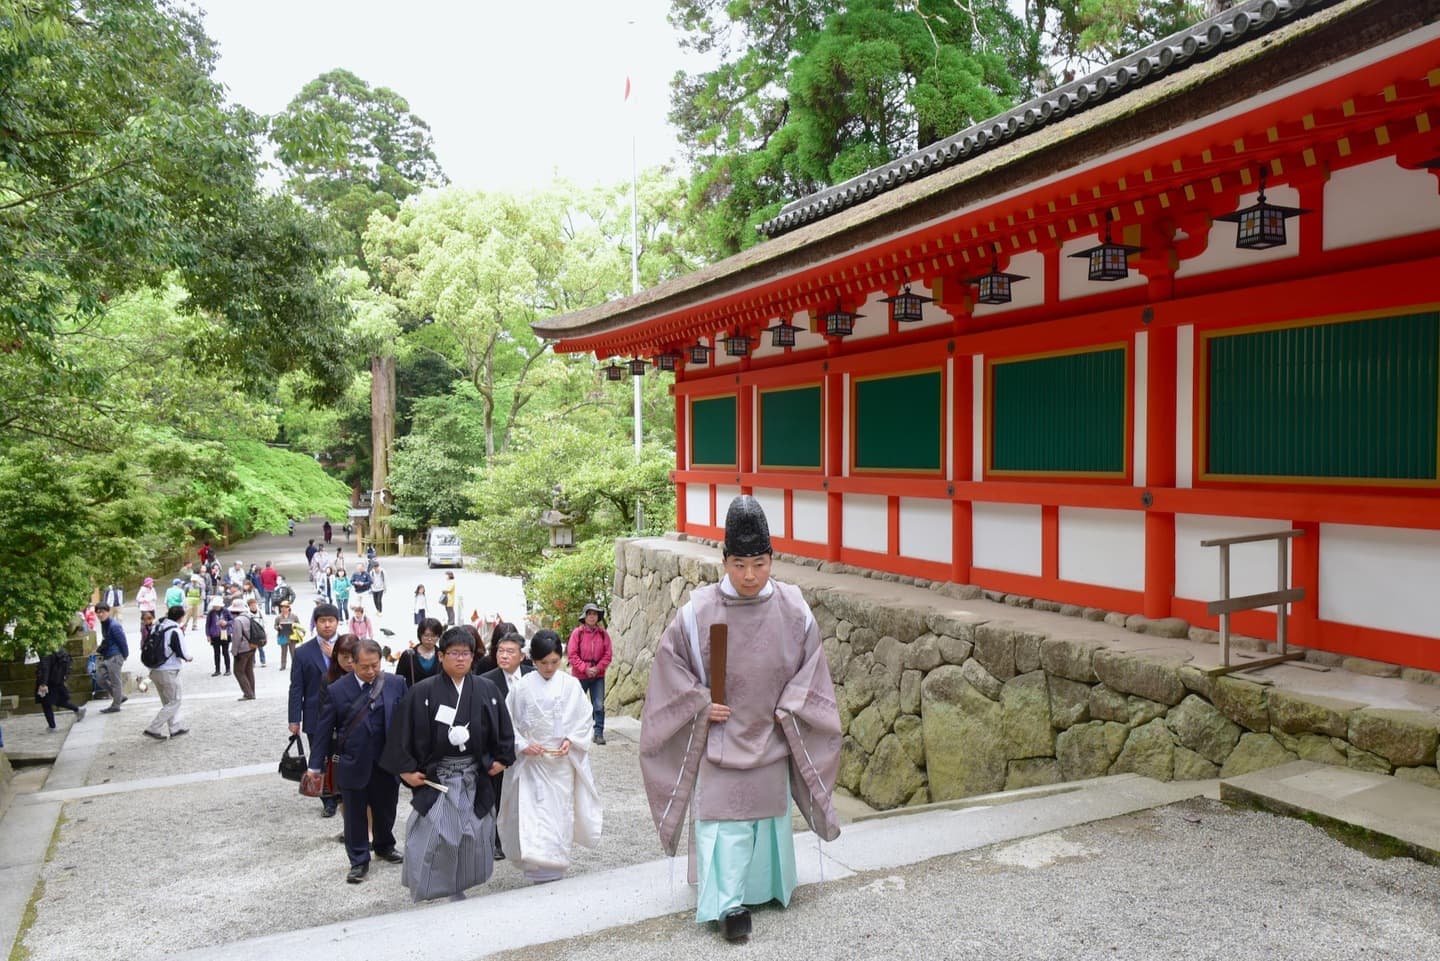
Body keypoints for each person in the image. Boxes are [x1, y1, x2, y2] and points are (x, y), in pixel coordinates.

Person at [640, 495, 842, 942]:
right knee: (726, 826)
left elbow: (812, 670)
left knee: (767, 820)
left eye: (758, 564)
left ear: (772, 558)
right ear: (723, 561)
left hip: (771, 732)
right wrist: (696, 703)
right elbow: (670, 666)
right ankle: (728, 904)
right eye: (739, 565)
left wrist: (792, 705)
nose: (749, 576)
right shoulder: (698, 612)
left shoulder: (794, 608)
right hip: (720, 736)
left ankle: (766, 887)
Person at [379, 626, 515, 902]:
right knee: (430, 834)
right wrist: (406, 770)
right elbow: (401, 732)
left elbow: (504, 728)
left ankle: (457, 887)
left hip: (473, 775)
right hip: (437, 778)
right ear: (441, 656)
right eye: (454, 653)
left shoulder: (486, 689)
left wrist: (502, 759)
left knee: (471, 834)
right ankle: (430, 886)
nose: (461, 659)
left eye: (466, 653)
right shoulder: (422, 692)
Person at [497, 629, 601, 883]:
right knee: (532, 812)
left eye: (555, 662)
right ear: (532, 660)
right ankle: (535, 865)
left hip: (560, 762)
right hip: (531, 762)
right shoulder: (521, 688)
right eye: (543, 663)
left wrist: (571, 739)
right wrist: (522, 744)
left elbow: (583, 717)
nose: (549, 667)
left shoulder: (571, 684)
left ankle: (556, 862)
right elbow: (508, 724)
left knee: (559, 812)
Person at [307, 638, 407, 883]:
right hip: (353, 762)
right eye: (365, 667)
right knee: (354, 815)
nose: (371, 671)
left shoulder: (395, 683)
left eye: (375, 665)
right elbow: (323, 730)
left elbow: (406, 721)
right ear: (352, 663)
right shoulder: (337, 690)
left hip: (386, 761)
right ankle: (359, 859)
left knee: (386, 808)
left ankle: (384, 844)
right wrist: (314, 766)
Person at [480, 631, 534, 859]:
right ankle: (495, 841)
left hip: (530, 749)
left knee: (526, 795)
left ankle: (526, 837)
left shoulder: (533, 676)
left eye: (510, 652)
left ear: (522, 656)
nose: (504, 656)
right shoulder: (486, 680)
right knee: (497, 796)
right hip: (499, 749)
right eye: (500, 651)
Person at [289, 603, 344, 817]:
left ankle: (342, 793)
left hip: (344, 712)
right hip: (315, 712)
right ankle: (327, 799)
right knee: (320, 757)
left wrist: (335, 657)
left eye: (331, 620)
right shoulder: (303, 652)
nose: (327, 625)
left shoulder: (347, 645)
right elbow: (296, 687)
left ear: (337, 622)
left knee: (342, 755)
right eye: (323, 621)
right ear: (316, 623)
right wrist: (294, 718)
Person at [143, 604, 192, 740]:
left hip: (154, 668)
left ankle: (175, 727)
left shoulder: (157, 626)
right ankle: (153, 727)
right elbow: (182, 652)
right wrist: (189, 657)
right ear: (181, 617)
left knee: (167, 702)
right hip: (168, 669)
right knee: (175, 700)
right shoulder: (175, 630)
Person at [568, 603, 613, 746]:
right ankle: (575, 732)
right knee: (577, 704)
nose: (592, 616)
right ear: (585, 616)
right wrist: (585, 668)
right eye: (589, 614)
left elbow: (608, 654)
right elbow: (572, 654)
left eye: (595, 614)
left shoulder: (603, 634)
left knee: (598, 705)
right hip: (580, 675)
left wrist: (598, 668)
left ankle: (598, 733)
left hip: (598, 676)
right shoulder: (578, 633)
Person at [35, 644, 84, 731]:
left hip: (49, 682)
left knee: (46, 704)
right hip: (58, 680)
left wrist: (43, 684)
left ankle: (52, 726)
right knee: (60, 701)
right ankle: (77, 709)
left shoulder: (46, 651)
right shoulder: (61, 650)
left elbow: (45, 668)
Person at [93, 602, 128, 713]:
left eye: (102, 612)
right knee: (100, 678)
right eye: (98, 612)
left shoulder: (114, 625)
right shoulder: (104, 624)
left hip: (115, 655)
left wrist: (124, 655)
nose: (100, 614)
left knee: (115, 681)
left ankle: (116, 705)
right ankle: (119, 697)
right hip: (107, 655)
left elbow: (122, 641)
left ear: (108, 612)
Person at [396, 619, 444, 687]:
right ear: (420, 635)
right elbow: (398, 679)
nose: (429, 639)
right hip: (413, 695)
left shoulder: (442, 655)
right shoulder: (408, 655)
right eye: (426, 635)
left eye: (433, 636)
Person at [228, 597, 258, 700]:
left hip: (242, 649)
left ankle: (248, 693)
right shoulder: (249, 617)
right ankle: (252, 691)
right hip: (251, 647)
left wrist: (234, 651)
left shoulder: (237, 620)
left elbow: (237, 637)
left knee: (238, 671)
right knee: (249, 670)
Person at [204, 597, 230, 676]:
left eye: (217, 606)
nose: (216, 607)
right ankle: (217, 670)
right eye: (214, 606)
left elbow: (232, 621)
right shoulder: (211, 613)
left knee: (225, 652)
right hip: (214, 635)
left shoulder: (226, 611)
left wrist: (226, 623)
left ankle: (228, 669)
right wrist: (208, 635)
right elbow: (207, 624)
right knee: (216, 653)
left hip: (225, 634)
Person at [274, 601, 300, 671]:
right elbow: (275, 626)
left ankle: (295, 665)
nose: (284, 609)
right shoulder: (278, 617)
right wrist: (278, 627)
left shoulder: (294, 616)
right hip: (283, 635)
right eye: (282, 608)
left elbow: (298, 625)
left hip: (292, 636)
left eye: (285, 607)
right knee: (283, 651)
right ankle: (283, 665)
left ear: (289, 608)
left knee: (293, 652)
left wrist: (294, 626)